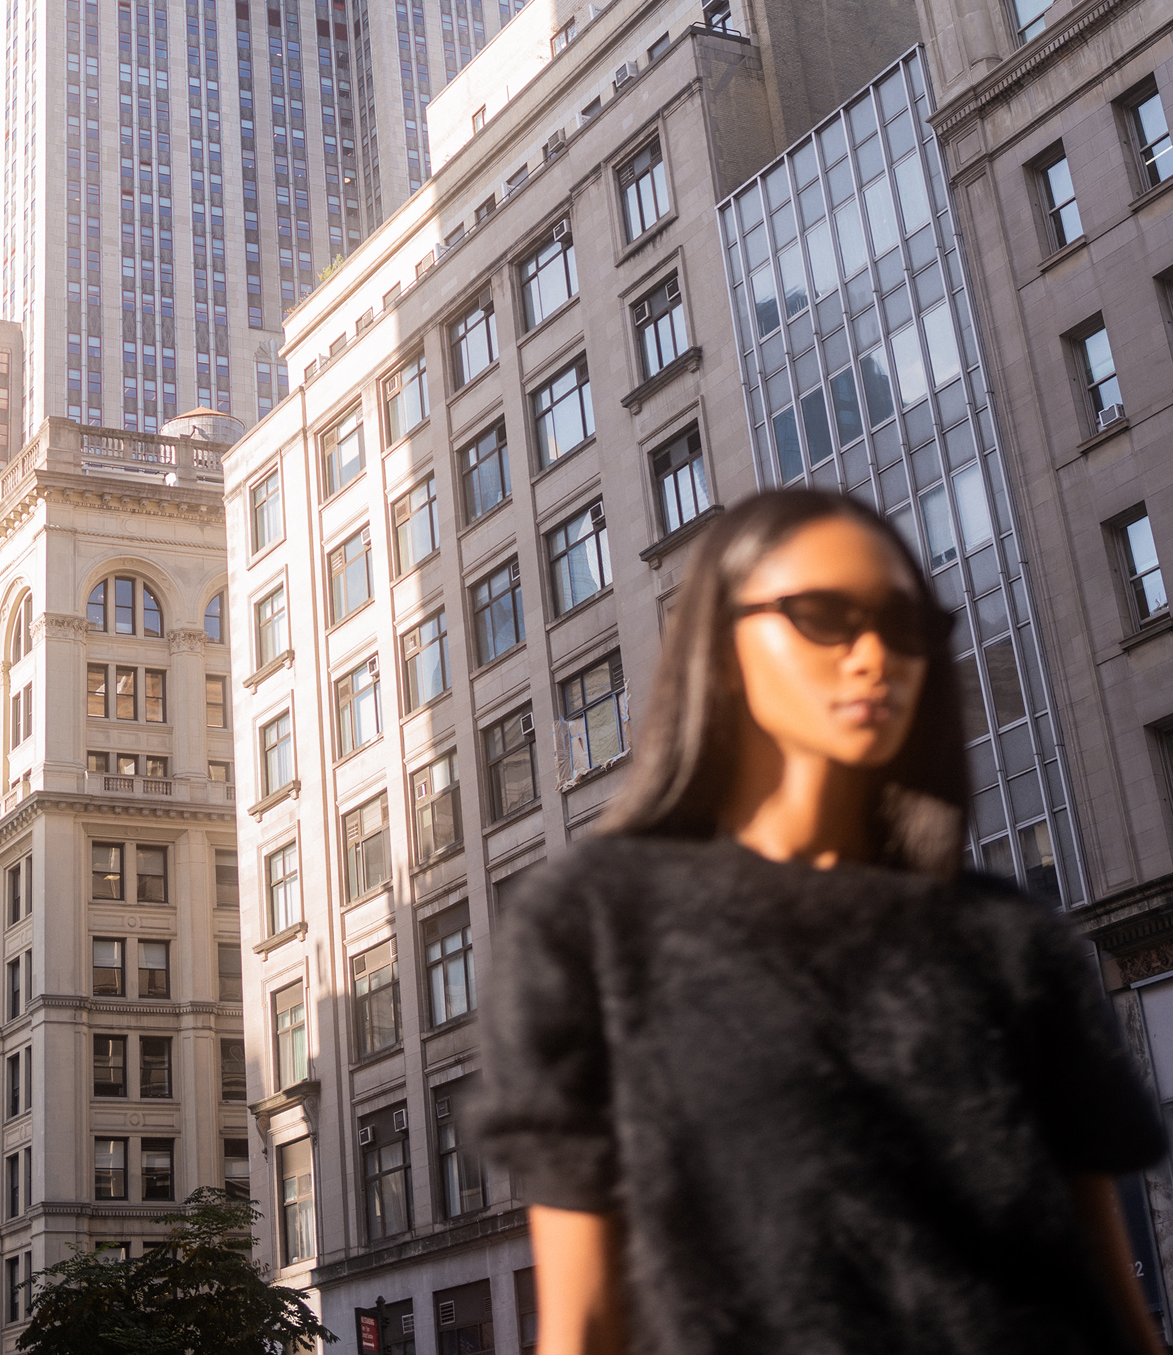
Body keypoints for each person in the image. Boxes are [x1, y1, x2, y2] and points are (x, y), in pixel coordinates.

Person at [483, 488, 1166, 1355]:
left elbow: (1110, 1299)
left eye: (904, 625)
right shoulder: (592, 924)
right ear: (720, 643)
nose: (875, 656)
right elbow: (581, 1323)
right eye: (824, 617)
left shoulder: (1013, 938)